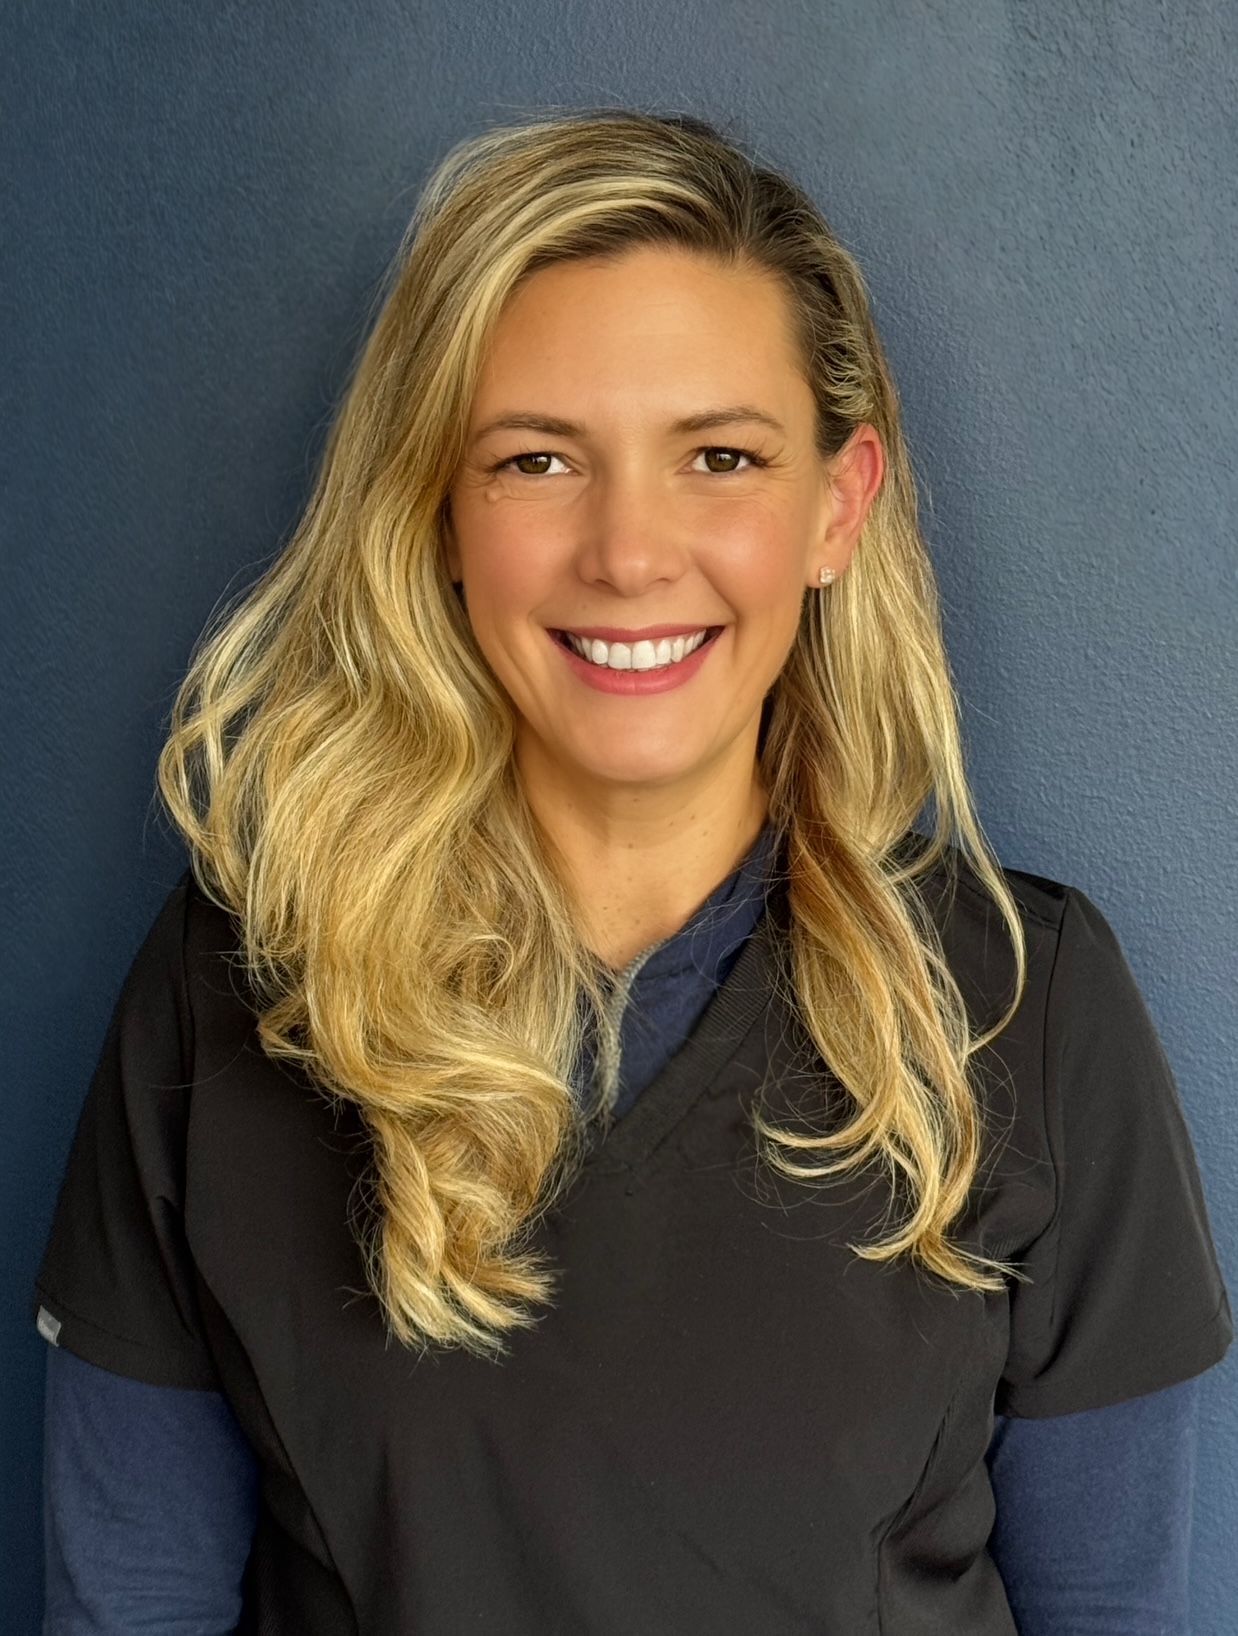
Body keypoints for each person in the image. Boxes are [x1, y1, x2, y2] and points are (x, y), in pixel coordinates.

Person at [32, 108, 1231, 1635]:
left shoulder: (1024, 1009)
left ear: (834, 506)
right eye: (537, 459)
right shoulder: (231, 995)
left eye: (719, 456)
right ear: (438, 513)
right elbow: (124, 1596)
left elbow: (1120, 1610)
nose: (629, 551)